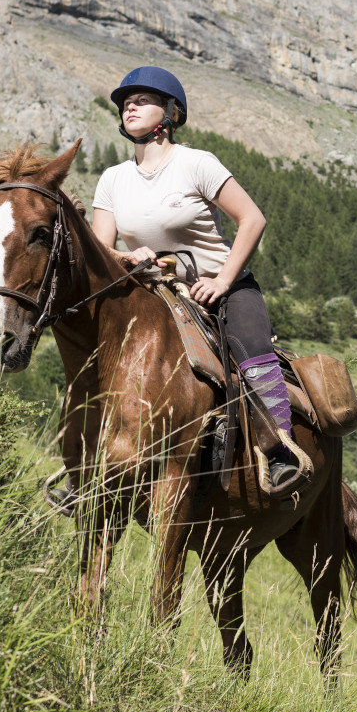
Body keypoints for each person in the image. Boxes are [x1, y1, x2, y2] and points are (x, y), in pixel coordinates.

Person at [90, 65, 303, 488]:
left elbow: (252, 219)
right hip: (153, 292)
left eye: (142, 99)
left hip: (219, 289)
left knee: (251, 346)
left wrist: (224, 280)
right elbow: (101, 251)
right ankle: (83, 458)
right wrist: (128, 256)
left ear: (170, 113)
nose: (129, 105)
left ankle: (279, 449)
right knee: (95, 352)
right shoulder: (113, 179)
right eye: (125, 102)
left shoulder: (196, 163)